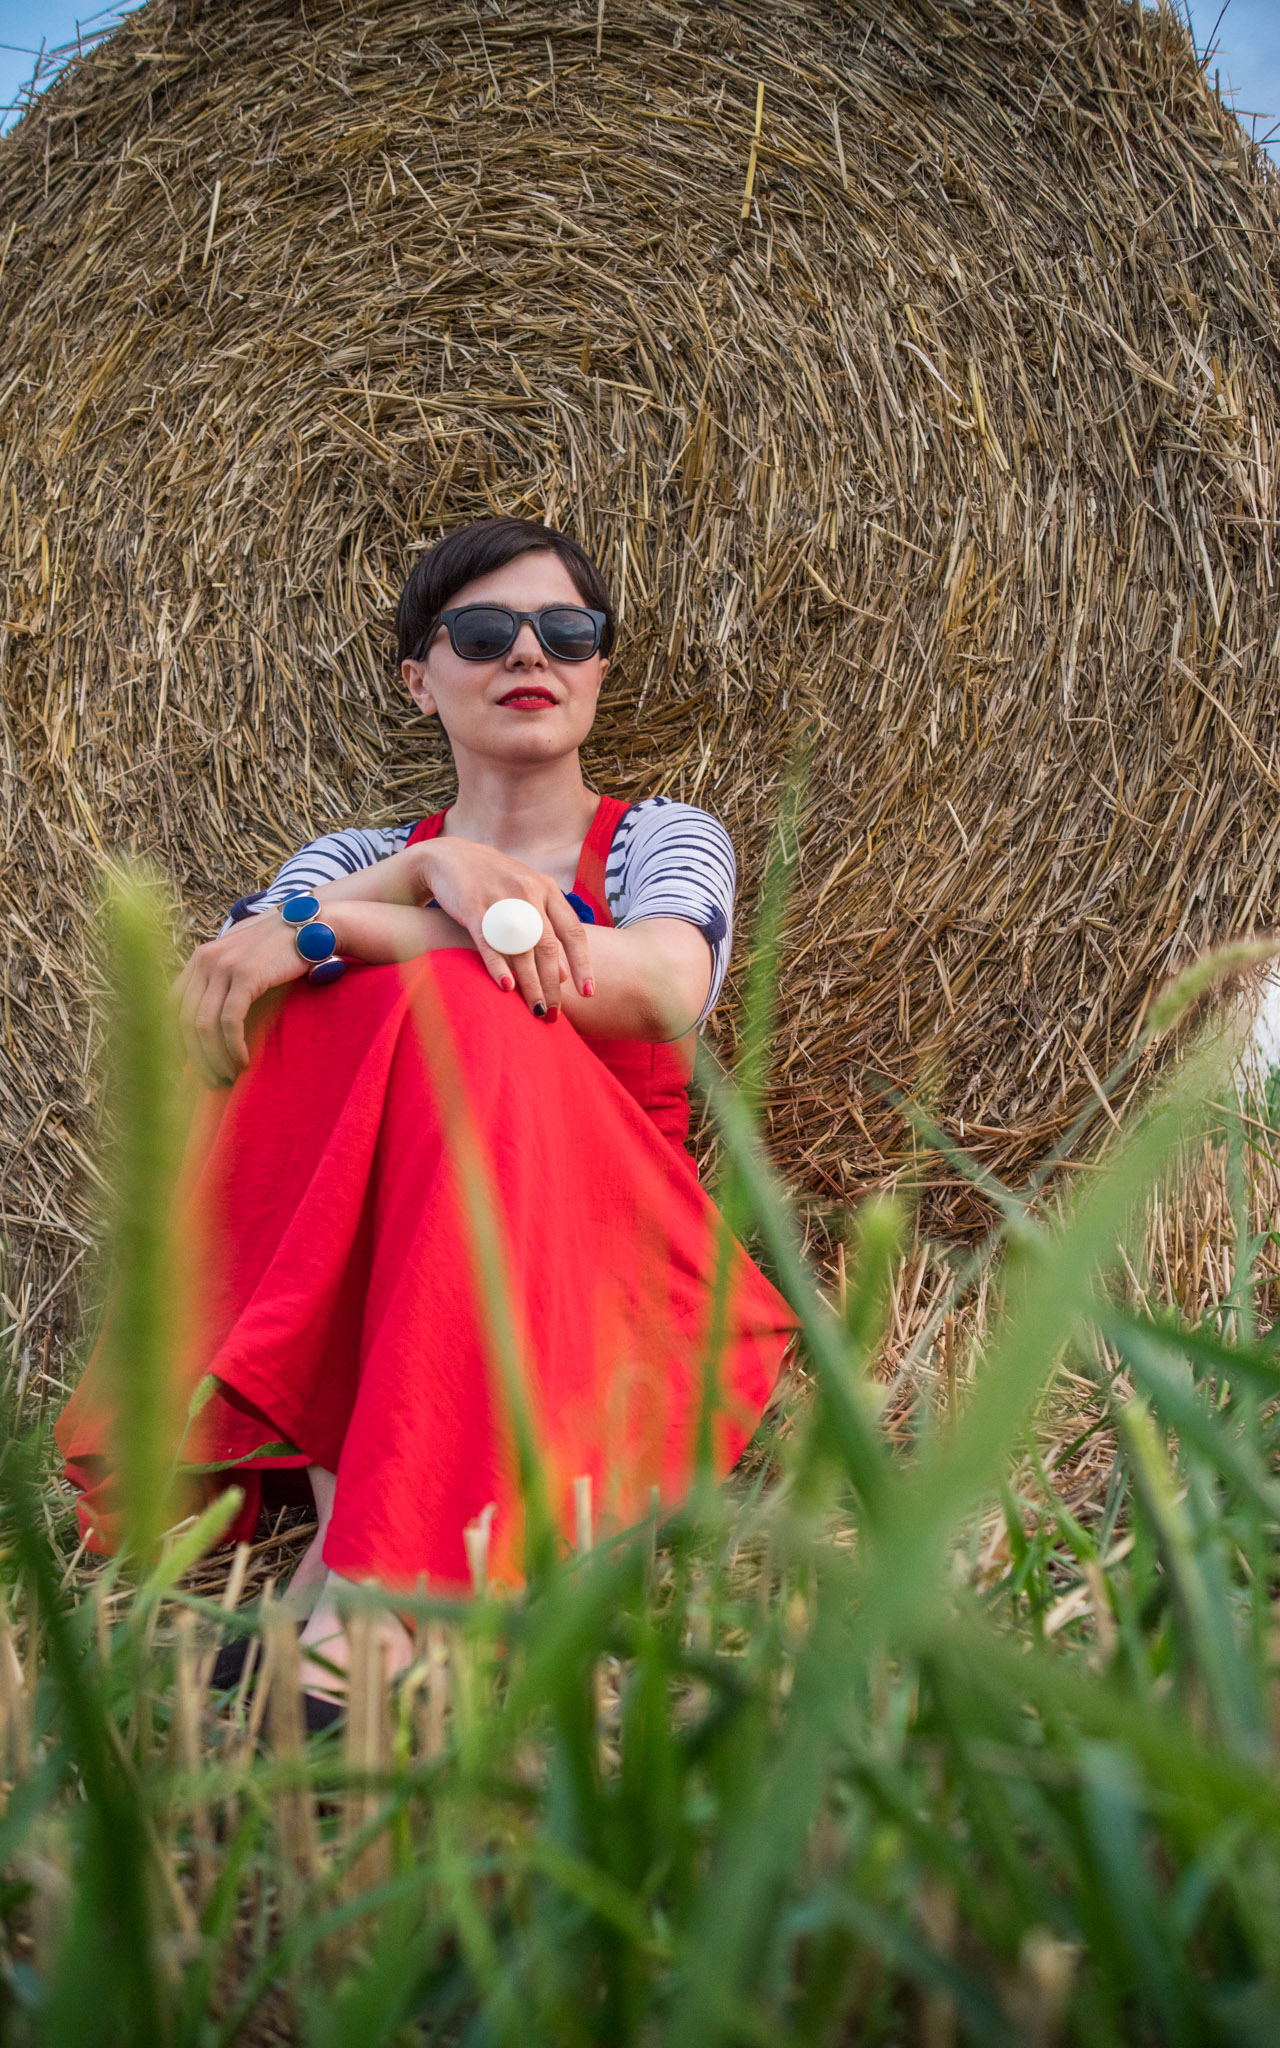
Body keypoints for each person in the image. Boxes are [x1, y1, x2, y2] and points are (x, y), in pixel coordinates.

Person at [56, 517, 797, 1709]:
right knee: (305, 1010)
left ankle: (393, 1601)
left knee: (418, 987)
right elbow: (233, 983)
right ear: (419, 677)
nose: (528, 654)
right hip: (395, 1260)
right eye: (481, 631)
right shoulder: (355, 851)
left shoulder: (659, 838)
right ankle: (365, 1551)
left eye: (565, 631)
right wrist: (418, 869)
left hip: (596, 1268)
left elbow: (659, 988)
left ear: (599, 665)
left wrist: (405, 923)